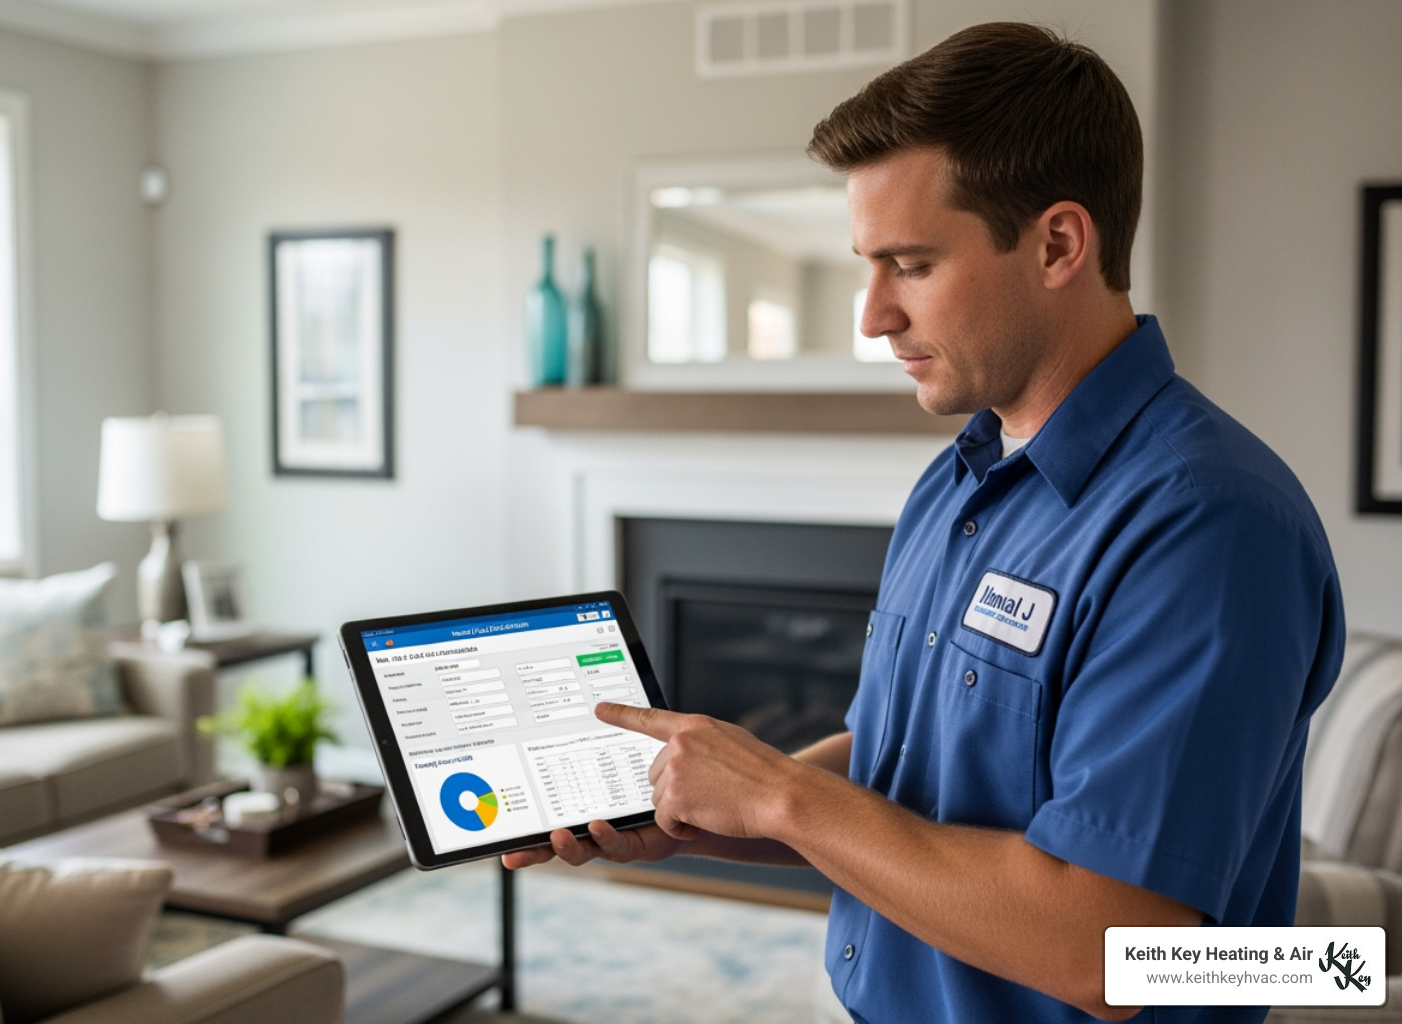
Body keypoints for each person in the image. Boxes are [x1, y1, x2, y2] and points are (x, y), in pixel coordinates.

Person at [505, 21, 1345, 1024]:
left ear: (1059, 244)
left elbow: (1116, 954)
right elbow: (901, 770)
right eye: (867, 264)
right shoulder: (956, 483)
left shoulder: (1207, 523)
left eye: (909, 264)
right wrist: (700, 812)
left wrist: (778, 794)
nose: (872, 316)